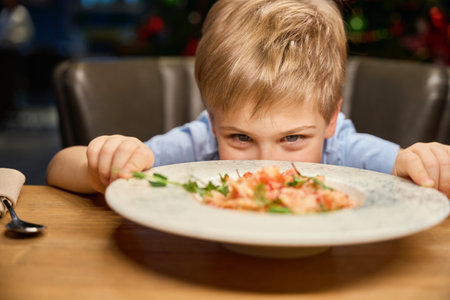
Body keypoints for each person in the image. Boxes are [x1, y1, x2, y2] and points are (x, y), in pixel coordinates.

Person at [46, 0, 450, 197]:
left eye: (293, 139)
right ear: (212, 118)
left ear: (330, 119)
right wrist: (103, 166)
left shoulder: (342, 148)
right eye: (240, 138)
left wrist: (428, 165)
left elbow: (412, 175)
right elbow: (58, 168)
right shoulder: (200, 143)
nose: (267, 162)